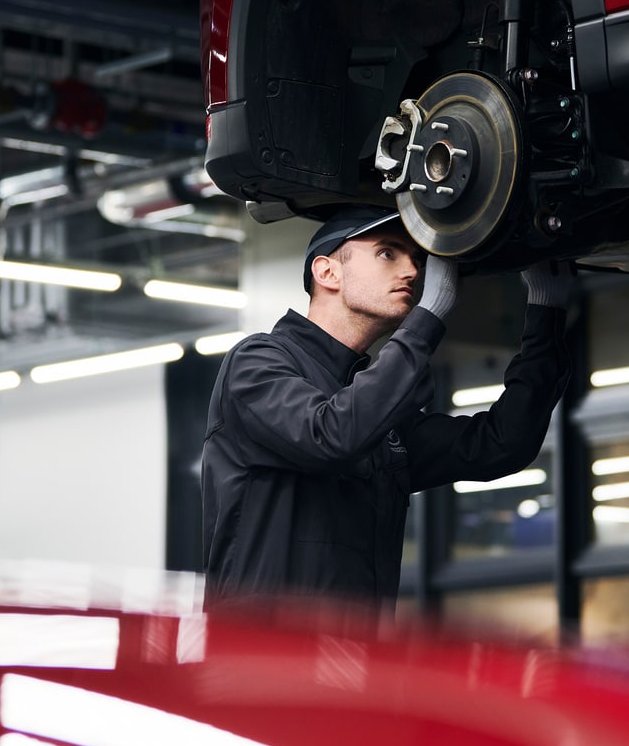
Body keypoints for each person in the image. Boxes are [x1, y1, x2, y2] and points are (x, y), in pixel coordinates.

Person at [200, 204, 572, 612]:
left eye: (417, 260)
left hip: (358, 650)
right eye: (388, 253)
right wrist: (428, 318)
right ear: (327, 272)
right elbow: (330, 435)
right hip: (263, 652)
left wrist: (546, 312)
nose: (412, 271)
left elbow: (500, 445)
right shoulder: (257, 361)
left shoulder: (379, 417)